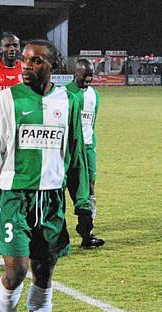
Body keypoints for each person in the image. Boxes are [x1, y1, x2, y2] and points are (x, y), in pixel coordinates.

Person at [0, 39, 92, 312]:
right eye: (25, 61)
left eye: (36, 61)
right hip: (15, 197)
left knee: (43, 272)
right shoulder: (6, 100)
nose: (27, 66)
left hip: (51, 200)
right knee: (16, 269)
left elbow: (76, 155)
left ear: (53, 65)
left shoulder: (69, 101)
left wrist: (83, 204)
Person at [65, 59, 106, 249]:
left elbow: (91, 123)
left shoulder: (94, 96)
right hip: (67, 149)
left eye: (91, 74)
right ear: (76, 72)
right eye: (85, 74)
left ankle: (87, 232)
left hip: (87, 148)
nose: (89, 78)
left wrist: (90, 145)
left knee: (90, 188)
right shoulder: (64, 93)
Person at [0, 33, 23, 237]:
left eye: (15, 46)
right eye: (8, 45)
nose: (12, 49)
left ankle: (8, 220)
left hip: (17, 134)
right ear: (0, 48)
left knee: (13, 179)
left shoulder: (23, 70)